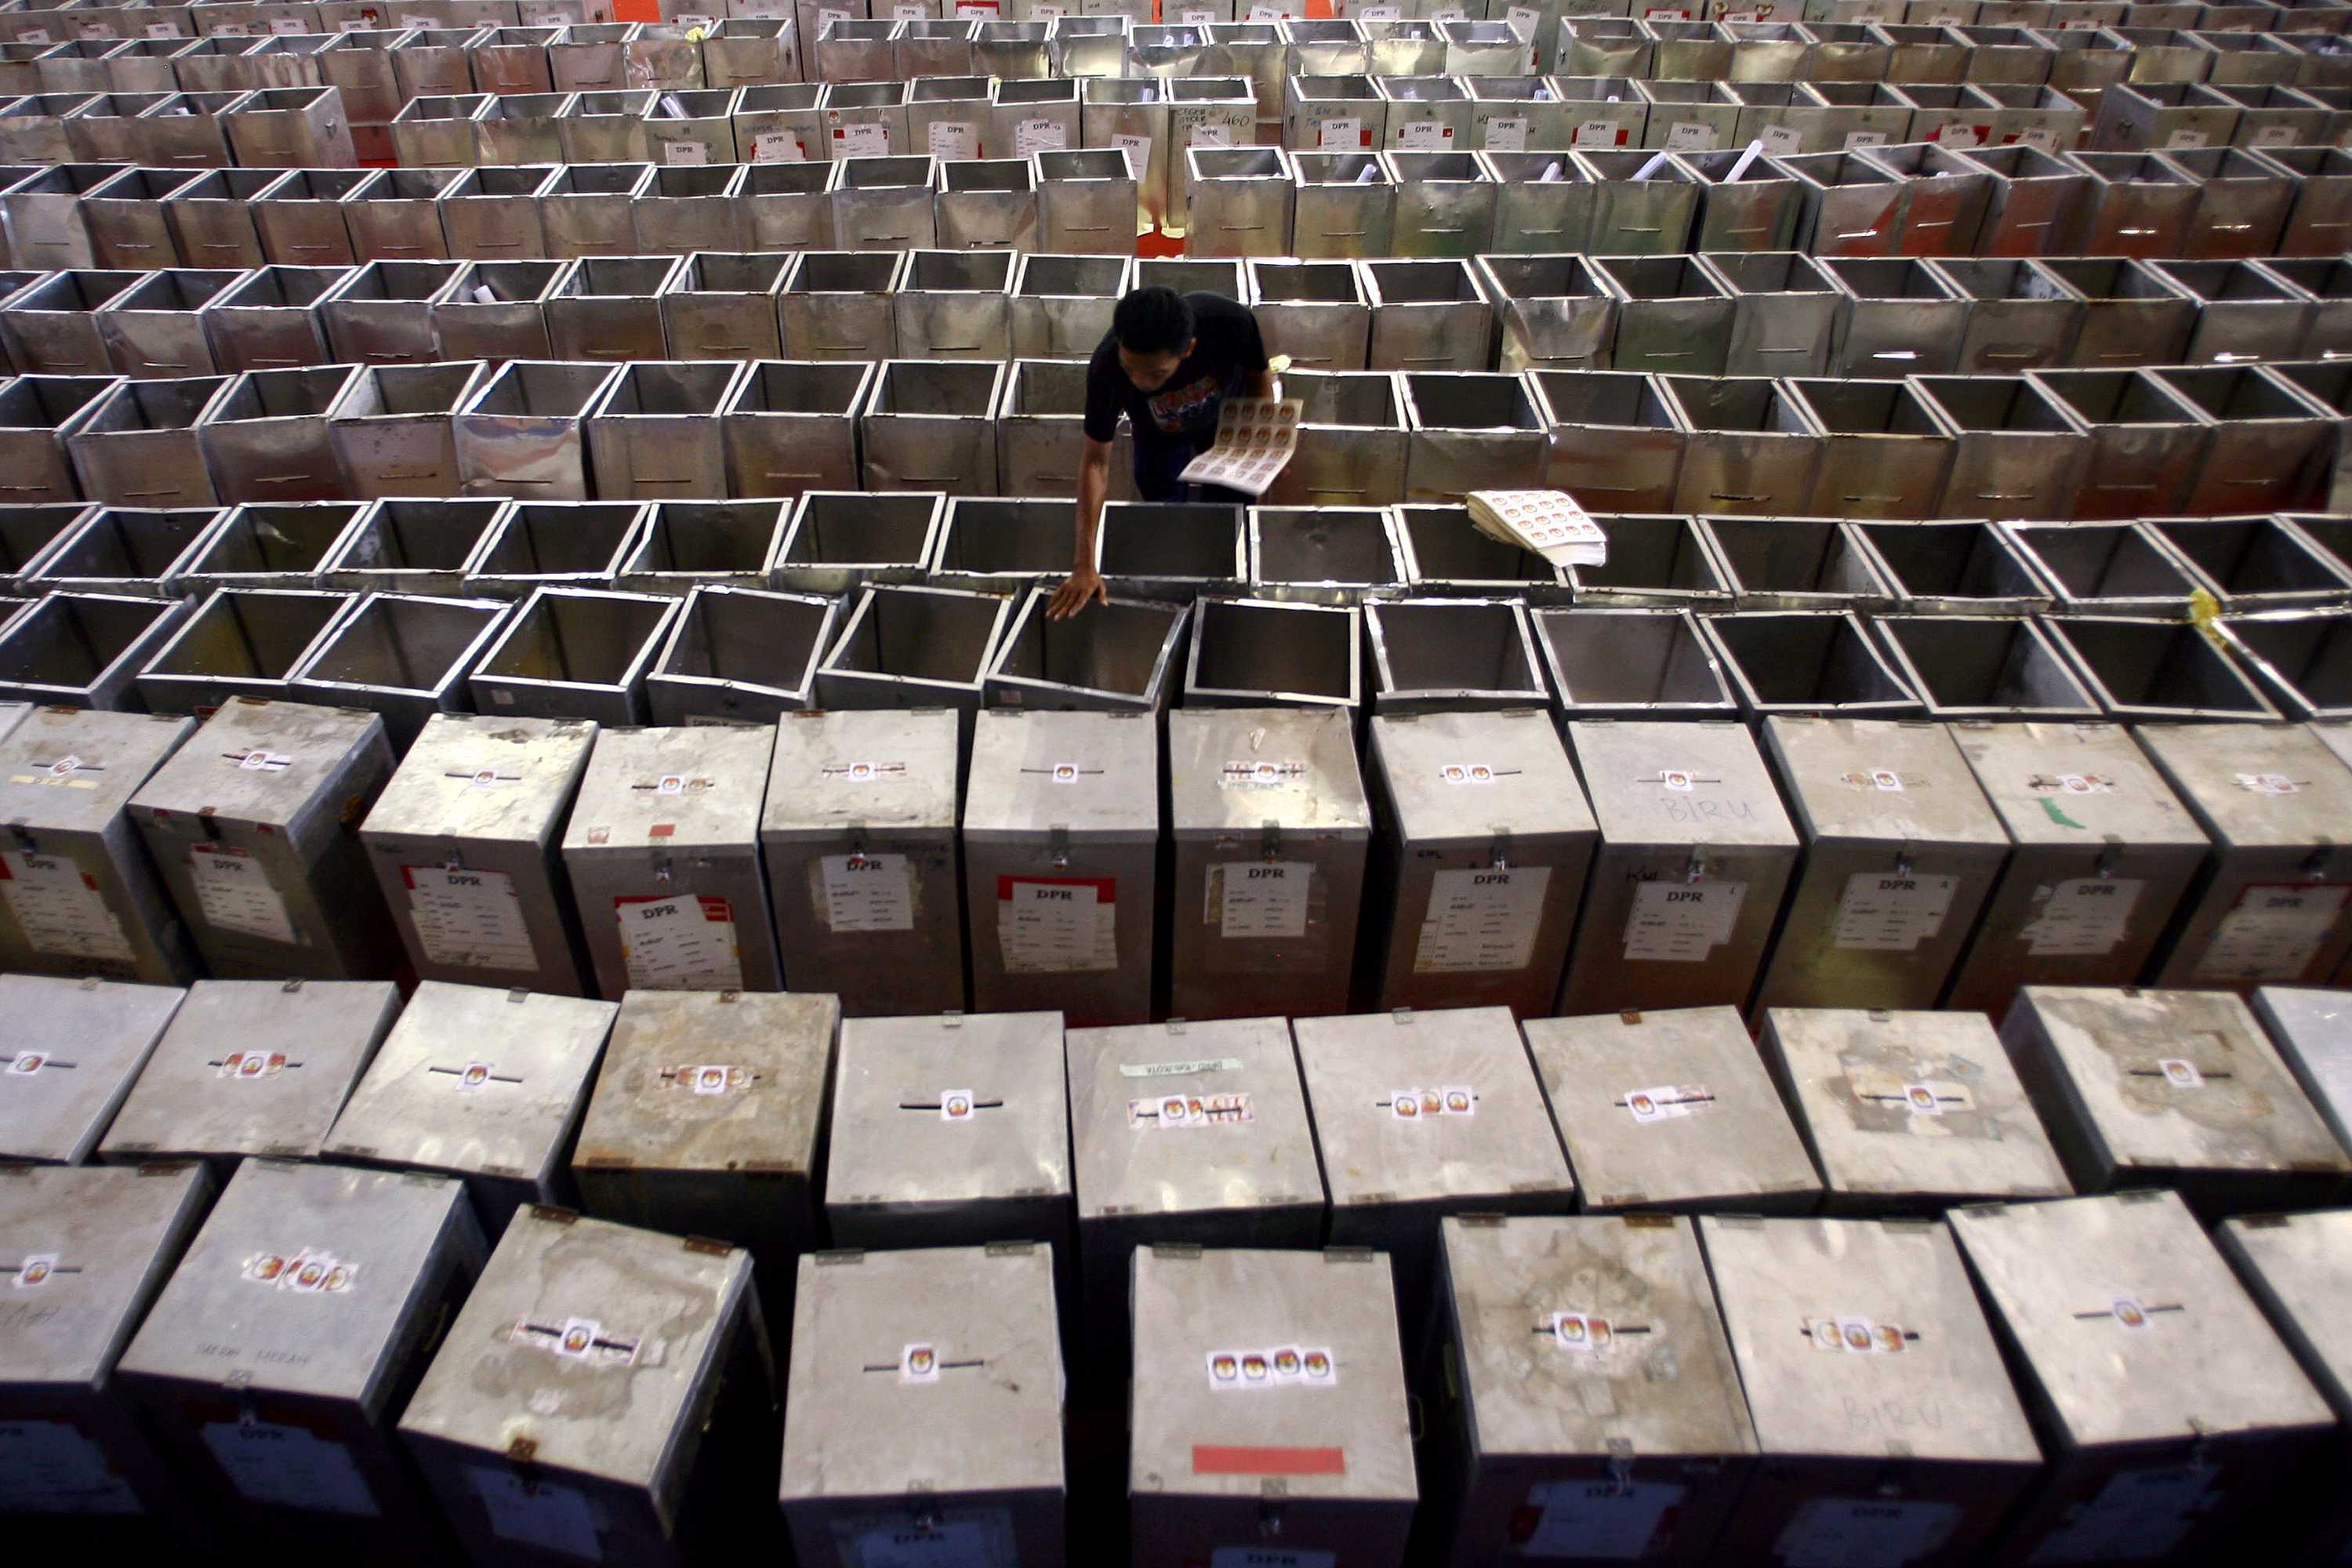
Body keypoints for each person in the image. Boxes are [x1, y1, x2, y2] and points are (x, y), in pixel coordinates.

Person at [1047, 285, 1276, 619]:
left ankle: (1219, 602)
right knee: (1163, 514)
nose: (1139, 381)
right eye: (1131, 370)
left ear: (1189, 350)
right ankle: (1174, 601)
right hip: (1158, 434)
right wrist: (1084, 563)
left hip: (1225, 426)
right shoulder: (1106, 367)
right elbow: (1096, 461)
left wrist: (1259, 439)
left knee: (1226, 519)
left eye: (1155, 373)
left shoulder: (1230, 322)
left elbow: (1259, 375)